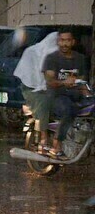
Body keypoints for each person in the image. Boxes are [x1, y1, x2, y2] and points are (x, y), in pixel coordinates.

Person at [42, 27, 91, 159]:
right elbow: (50, 80)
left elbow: (82, 80)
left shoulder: (80, 58)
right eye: (62, 40)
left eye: (68, 40)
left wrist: (86, 92)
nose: (65, 43)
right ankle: (56, 144)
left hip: (75, 94)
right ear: (58, 41)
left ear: (73, 42)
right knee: (70, 109)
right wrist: (64, 82)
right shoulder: (52, 58)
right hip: (57, 95)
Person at [14, 32, 58, 153]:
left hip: (48, 88)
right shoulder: (34, 52)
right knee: (43, 105)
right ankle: (43, 140)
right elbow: (39, 75)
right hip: (31, 88)